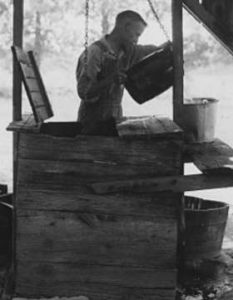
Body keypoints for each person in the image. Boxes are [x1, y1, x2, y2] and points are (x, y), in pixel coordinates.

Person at [76, 10, 158, 135]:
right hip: (91, 125)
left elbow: (149, 51)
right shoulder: (94, 53)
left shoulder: (128, 51)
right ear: (126, 27)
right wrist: (110, 80)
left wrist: (170, 50)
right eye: (136, 34)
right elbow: (84, 91)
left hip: (114, 123)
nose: (136, 40)